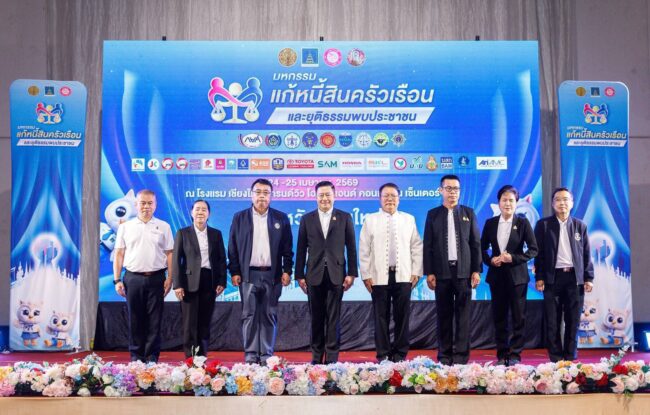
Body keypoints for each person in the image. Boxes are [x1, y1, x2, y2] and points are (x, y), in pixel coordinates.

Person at [228, 179, 293, 364]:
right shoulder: (239, 218)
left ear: (271, 196)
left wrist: (287, 270)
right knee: (248, 315)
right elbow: (232, 247)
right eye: (258, 192)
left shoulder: (281, 218)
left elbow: (288, 248)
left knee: (269, 314)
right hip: (248, 275)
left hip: (272, 275)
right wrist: (235, 271)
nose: (262, 196)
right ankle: (250, 355)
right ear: (251, 195)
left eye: (266, 193)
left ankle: (266, 356)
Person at [295, 180, 358, 364]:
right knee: (316, 318)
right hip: (313, 275)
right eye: (321, 195)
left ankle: (331, 359)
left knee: (333, 319)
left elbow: (351, 247)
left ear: (334, 196)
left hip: (337, 274)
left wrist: (352, 273)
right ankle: (316, 357)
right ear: (316, 197)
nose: (324, 198)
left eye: (328, 195)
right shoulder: (307, 219)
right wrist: (299, 275)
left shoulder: (345, 217)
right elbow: (301, 249)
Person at [359, 183, 423, 362]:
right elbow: (364, 249)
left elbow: (416, 246)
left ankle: (400, 354)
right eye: (386, 196)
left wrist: (416, 271)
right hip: (378, 276)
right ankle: (383, 354)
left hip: (404, 275)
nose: (389, 199)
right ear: (380, 199)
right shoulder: (370, 220)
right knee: (380, 317)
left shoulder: (408, 219)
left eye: (393, 196)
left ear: (399, 199)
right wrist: (366, 275)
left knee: (403, 316)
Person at [423, 174, 481, 365]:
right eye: (448, 188)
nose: (452, 192)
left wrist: (476, 270)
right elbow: (428, 245)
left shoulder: (468, 213)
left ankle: (462, 357)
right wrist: (429, 272)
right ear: (441, 190)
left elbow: (475, 243)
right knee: (444, 316)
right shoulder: (433, 214)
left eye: (456, 189)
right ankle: (444, 356)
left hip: (464, 273)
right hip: (441, 273)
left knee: (463, 317)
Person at [534, 187, 594, 362]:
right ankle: (555, 358)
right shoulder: (543, 225)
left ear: (572, 203)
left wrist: (588, 277)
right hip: (552, 278)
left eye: (566, 199)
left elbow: (586, 254)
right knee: (552, 321)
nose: (562, 203)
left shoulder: (580, 226)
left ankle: (570, 356)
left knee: (573, 320)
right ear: (553, 204)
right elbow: (539, 254)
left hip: (574, 278)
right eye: (558, 200)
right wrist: (539, 277)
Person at [113, 189, 173, 362]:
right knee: (135, 319)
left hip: (157, 278)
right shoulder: (125, 227)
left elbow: (170, 253)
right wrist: (117, 280)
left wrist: (170, 278)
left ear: (155, 205)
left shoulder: (164, 226)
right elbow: (119, 254)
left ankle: (152, 357)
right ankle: (136, 357)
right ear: (136, 205)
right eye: (143, 203)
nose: (146, 206)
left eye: (150, 203)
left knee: (155, 320)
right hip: (132, 278)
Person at [480, 185, 538, 366]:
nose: (507, 203)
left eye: (511, 200)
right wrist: (491, 260)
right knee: (499, 317)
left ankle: (515, 355)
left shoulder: (523, 223)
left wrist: (513, 258)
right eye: (504, 200)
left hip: (518, 278)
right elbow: (481, 249)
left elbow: (533, 250)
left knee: (518, 317)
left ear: (517, 203)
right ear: (498, 202)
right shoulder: (490, 223)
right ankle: (502, 354)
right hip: (497, 277)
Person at [172, 199, 227, 357]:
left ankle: (202, 357)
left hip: (209, 280)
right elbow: (176, 260)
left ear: (209, 214)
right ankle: (190, 358)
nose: (200, 212)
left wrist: (222, 281)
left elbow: (221, 259)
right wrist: (177, 284)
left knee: (204, 321)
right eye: (197, 209)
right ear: (191, 213)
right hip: (189, 282)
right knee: (189, 322)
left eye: (204, 209)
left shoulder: (216, 234)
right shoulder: (183, 233)